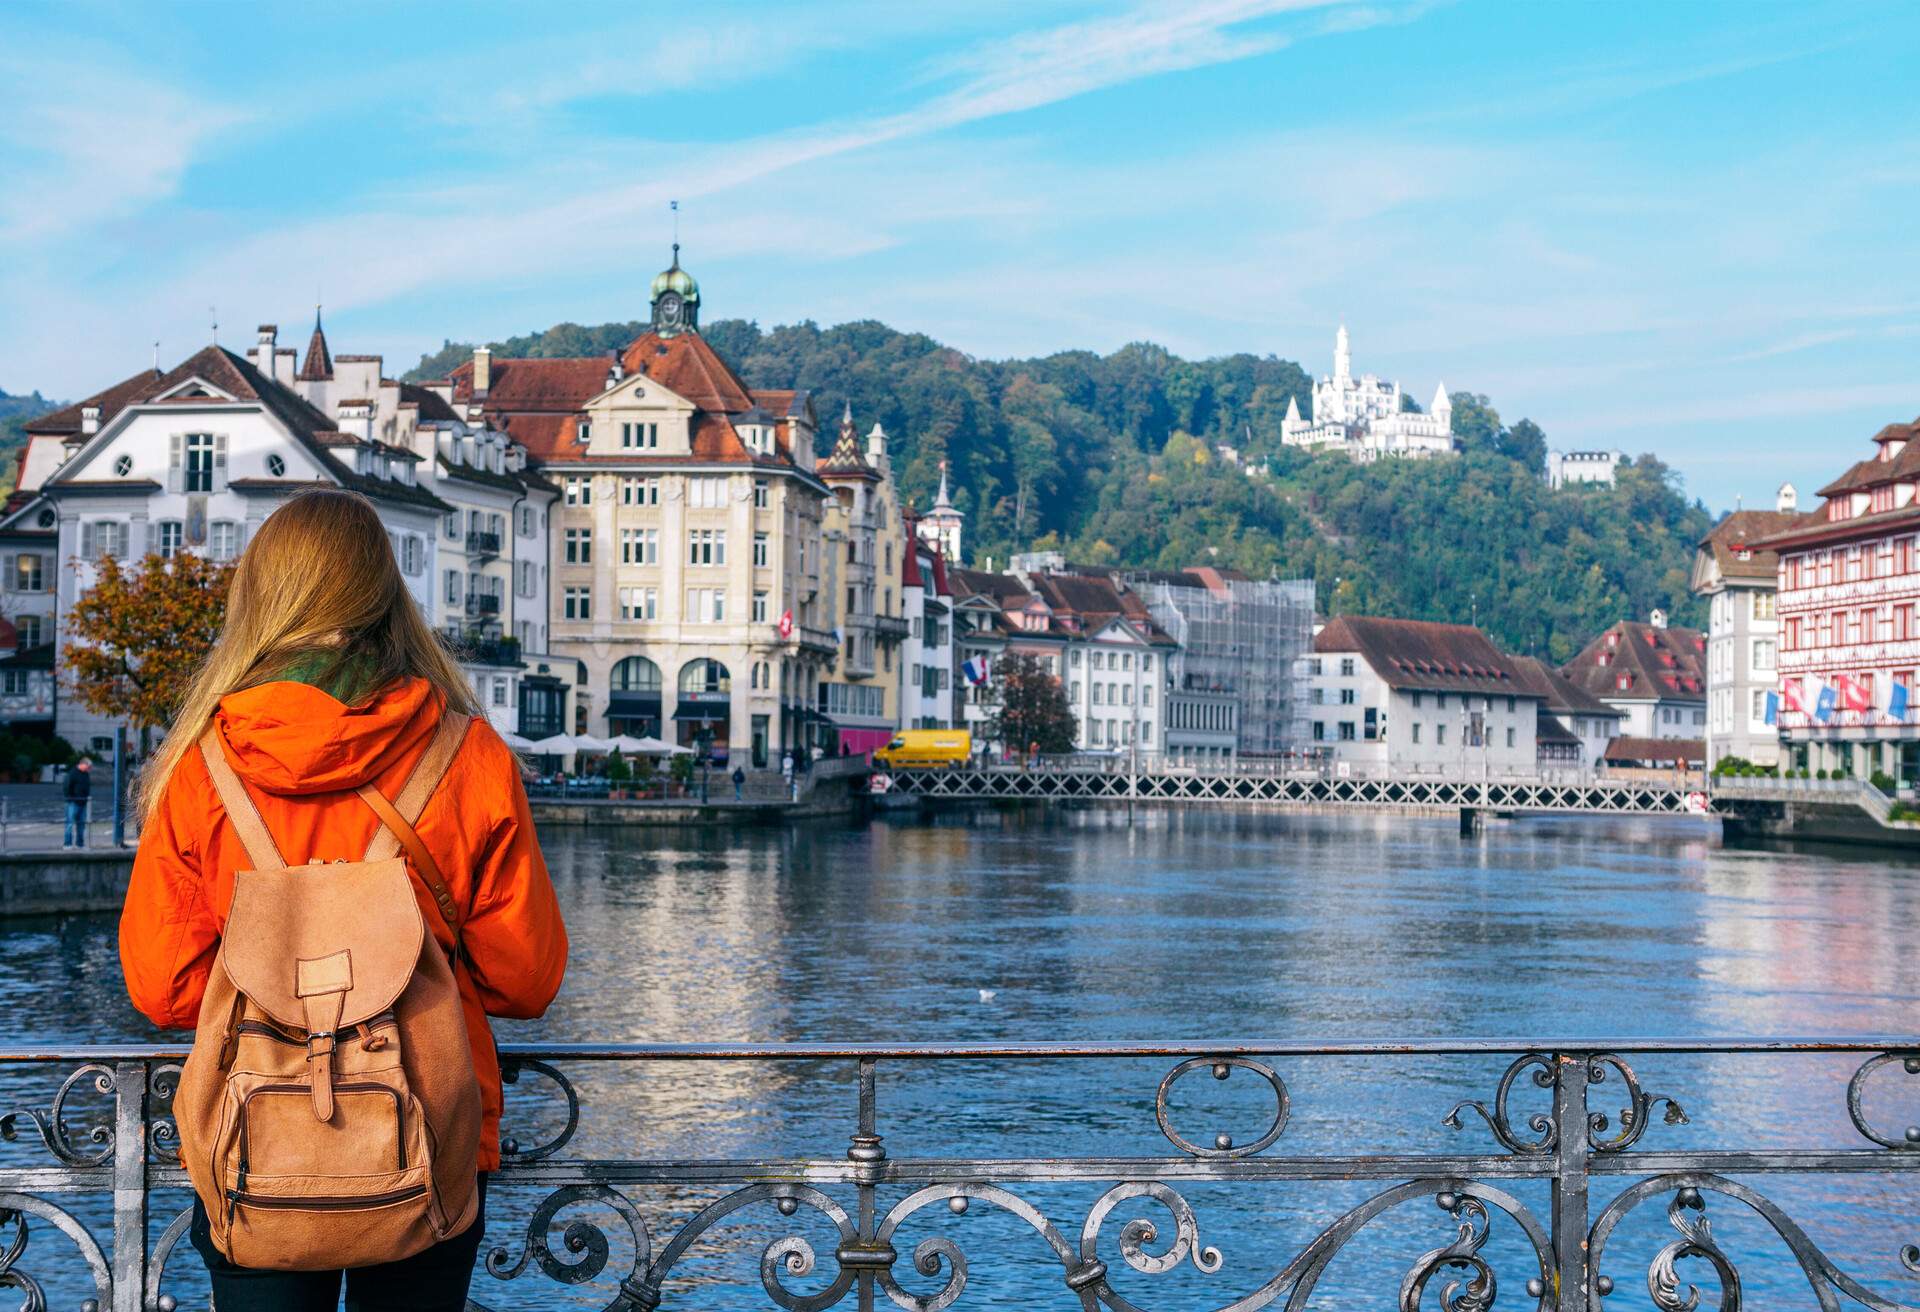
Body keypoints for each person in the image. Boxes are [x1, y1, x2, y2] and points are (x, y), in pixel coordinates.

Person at [119, 489, 569, 1311]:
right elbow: (526, 982)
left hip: (254, 1135)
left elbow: (164, 989)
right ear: (385, 593)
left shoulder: (201, 768)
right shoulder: (467, 756)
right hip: (425, 1133)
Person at [62, 757, 92, 849]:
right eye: (89, 766)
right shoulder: (72, 773)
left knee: (81, 825)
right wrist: (70, 798)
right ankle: (67, 844)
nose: (89, 769)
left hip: (82, 802)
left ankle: (79, 844)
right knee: (69, 824)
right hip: (73, 802)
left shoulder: (86, 774)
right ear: (83, 764)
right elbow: (66, 786)